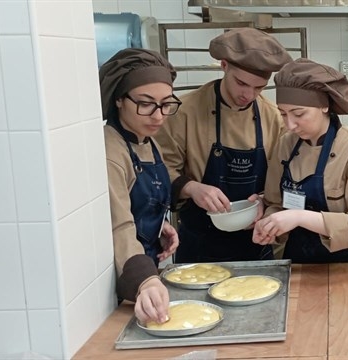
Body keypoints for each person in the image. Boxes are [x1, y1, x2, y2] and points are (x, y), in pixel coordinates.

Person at [155, 28, 292, 263]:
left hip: (255, 244)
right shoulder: (185, 111)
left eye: (259, 87)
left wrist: (264, 200)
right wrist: (192, 188)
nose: (249, 94)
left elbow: (285, 177)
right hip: (199, 245)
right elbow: (160, 170)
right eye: (241, 83)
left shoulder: (274, 118)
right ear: (224, 65)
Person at [252, 59, 348, 263]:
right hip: (299, 262)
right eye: (283, 114)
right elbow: (275, 202)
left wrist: (299, 217)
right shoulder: (286, 145)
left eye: (298, 114)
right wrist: (270, 224)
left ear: (324, 106)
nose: (290, 125)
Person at [100, 48, 181, 325]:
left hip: (147, 269)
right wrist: (145, 281)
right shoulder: (111, 150)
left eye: (166, 104)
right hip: (125, 276)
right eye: (146, 103)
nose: (158, 116)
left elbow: (140, 206)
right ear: (120, 99)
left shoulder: (147, 139)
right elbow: (118, 225)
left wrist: (158, 227)